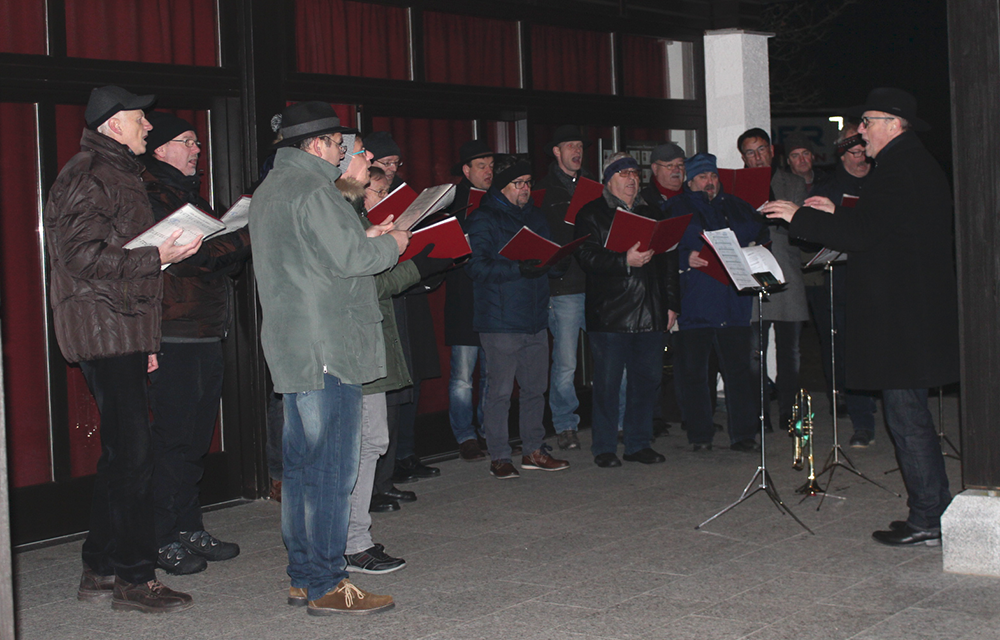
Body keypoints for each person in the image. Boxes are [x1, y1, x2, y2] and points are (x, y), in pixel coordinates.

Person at [763, 87, 958, 547]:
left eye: (867, 122)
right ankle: (933, 508)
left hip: (903, 317)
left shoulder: (899, 169)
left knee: (907, 417)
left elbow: (866, 234)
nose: (859, 132)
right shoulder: (907, 166)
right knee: (908, 415)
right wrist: (834, 211)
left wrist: (799, 217)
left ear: (893, 123)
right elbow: (881, 226)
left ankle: (930, 515)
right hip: (911, 313)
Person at [44, 85, 201, 613]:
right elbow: (83, 256)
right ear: (114, 124)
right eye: (140, 119)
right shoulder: (90, 174)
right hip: (103, 329)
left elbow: (113, 255)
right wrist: (157, 254)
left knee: (121, 455)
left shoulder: (112, 171)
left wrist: (145, 339)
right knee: (133, 456)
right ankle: (135, 579)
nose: (148, 126)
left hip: (121, 330)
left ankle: (101, 566)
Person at [250, 101, 409, 614]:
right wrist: (394, 243)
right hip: (330, 349)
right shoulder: (317, 189)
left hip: (296, 349)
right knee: (331, 472)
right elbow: (354, 261)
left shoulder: (274, 189)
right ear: (317, 145)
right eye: (340, 144)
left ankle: (303, 575)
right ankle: (325, 581)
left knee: (300, 470)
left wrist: (361, 237)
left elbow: (314, 256)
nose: (344, 154)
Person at [140, 111, 248, 576]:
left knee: (194, 440)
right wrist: (244, 235)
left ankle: (187, 526)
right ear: (160, 149)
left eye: (197, 142)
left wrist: (232, 245)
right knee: (173, 439)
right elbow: (193, 258)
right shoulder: (152, 193)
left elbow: (216, 259)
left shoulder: (187, 194)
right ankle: (160, 537)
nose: (196, 149)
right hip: (174, 331)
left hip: (204, 328)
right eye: (187, 141)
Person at [341, 146, 453, 574]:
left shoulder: (356, 220)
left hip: (372, 340)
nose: (380, 194)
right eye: (375, 186)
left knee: (372, 443)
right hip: (354, 344)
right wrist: (416, 263)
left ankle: (356, 538)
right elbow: (367, 285)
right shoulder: (339, 216)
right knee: (360, 447)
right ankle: (351, 542)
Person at [466, 155, 570, 479]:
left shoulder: (536, 217)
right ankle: (499, 455)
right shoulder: (483, 218)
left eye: (528, 183)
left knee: (535, 389)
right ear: (502, 186)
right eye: (519, 184)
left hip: (535, 317)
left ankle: (533, 450)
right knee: (499, 392)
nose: (526, 189)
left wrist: (557, 263)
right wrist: (517, 267)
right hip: (500, 320)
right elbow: (476, 266)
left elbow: (547, 253)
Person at [574, 152, 677, 467]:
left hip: (650, 310)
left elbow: (669, 261)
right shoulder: (591, 213)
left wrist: (672, 303)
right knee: (607, 384)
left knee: (647, 381)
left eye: (635, 173)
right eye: (623, 174)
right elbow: (585, 256)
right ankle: (604, 447)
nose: (632, 179)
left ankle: (637, 443)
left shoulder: (653, 211)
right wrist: (623, 261)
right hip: (611, 312)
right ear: (608, 180)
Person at [666, 152, 768, 452]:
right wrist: (685, 258)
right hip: (695, 303)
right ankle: (700, 435)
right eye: (702, 177)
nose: (709, 182)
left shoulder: (737, 207)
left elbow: (758, 232)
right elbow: (662, 249)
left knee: (738, 373)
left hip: (733, 305)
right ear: (690, 181)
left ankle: (744, 434)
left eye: (712, 176)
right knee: (694, 375)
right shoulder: (675, 208)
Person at [366, 130, 444, 490]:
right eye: (386, 163)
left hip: (408, 297)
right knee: (383, 397)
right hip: (383, 301)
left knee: (406, 381)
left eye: (397, 163)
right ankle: (382, 476)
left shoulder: (404, 197)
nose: (393, 169)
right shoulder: (356, 214)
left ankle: (402, 458)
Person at [808, 126, 879, 447]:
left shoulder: (882, 179)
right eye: (853, 150)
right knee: (850, 349)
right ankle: (862, 422)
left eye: (864, 148)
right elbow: (813, 232)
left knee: (884, 343)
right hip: (844, 276)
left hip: (882, 275)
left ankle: (897, 413)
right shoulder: (830, 187)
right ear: (842, 152)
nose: (861, 155)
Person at [738, 128, 809, 433]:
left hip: (787, 272)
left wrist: (764, 214)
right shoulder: (735, 186)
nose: (757, 157)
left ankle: (789, 413)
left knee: (790, 352)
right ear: (743, 157)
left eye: (761, 150)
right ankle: (760, 414)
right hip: (752, 272)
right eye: (750, 152)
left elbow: (795, 226)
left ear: (771, 151)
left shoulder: (792, 183)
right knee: (754, 351)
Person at [534, 125, 593, 450]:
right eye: (571, 145)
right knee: (566, 360)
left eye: (580, 145)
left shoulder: (594, 187)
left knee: (607, 355)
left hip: (596, 281)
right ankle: (565, 424)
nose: (577, 151)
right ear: (556, 151)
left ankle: (618, 418)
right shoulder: (543, 191)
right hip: (564, 286)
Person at [443, 140, 493, 461]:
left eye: (491, 166)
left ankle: (490, 431)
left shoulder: (500, 199)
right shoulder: (452, 202)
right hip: (464, 298)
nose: (488, 172)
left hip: (493, 298)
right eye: (481, 166)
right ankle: (465, 436)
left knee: (493, 372)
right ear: (466, 170)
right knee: (463, 375)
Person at [639, 142, 687, 210]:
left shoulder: (693, 198)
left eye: (680, 165)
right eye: (669, 165)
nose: (676, 170)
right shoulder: (643, 201)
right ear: (655, 168)